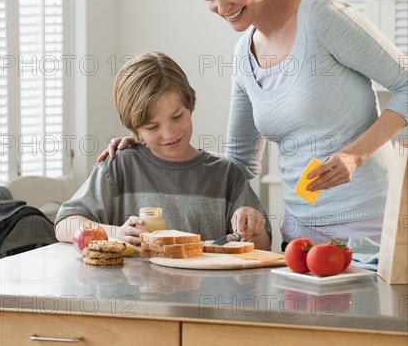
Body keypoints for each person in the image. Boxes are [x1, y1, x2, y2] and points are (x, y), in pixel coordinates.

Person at [97, 0, 407, 245]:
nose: (222, 7)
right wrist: (149, 149)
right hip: (300, 231)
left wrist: (353, 156)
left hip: (372, 221)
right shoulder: (243, 56)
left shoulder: (321, 17)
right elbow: (239, 162)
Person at [56, 51, 271, 250]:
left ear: (190, 105)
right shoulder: (119, 167)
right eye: (152, 127)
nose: (169, 133)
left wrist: (252, 226)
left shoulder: (225, 175)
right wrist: (116, 233)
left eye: (177, 116)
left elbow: (263, 247)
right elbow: (64, 224)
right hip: (130, 292)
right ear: (135, 129)